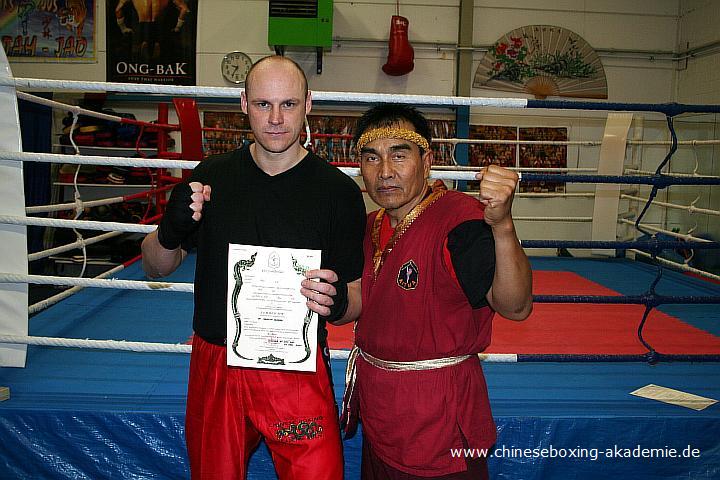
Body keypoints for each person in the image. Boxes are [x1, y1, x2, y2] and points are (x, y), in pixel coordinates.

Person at [141, 55, 366, 479]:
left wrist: (337, 304)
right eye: (264, 104)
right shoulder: (211, 178)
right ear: (243, 103)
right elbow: (155, 268)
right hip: (218, 363)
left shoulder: (338, 192)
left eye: (289, 104)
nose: (277, 119)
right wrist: (168, 233)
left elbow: (356, 298)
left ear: (309, 104)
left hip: (296, 368)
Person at [339, 104, 533, 479]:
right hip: (381, 415)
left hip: (443, 421)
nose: (385, 172)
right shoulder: (367, 227)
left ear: (427, 161)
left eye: (399, 154)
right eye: (371, 157)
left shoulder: (460, 222)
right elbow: (359, 303)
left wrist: (504, 225)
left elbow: (516, 306)